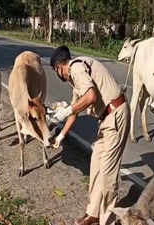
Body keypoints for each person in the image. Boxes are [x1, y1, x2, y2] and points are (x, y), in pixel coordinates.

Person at [50, 46, 130, 225]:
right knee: (96, 165)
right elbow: (74, 111)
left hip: (115, 116)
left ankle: (106, 220)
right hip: (105, 121)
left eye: (56, 71)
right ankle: (93, 213)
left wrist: (68, 109)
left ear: (58, 68)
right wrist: (61, 136)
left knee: (108, 173)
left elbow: (91, 96)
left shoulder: (76, 68)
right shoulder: (76, 77)